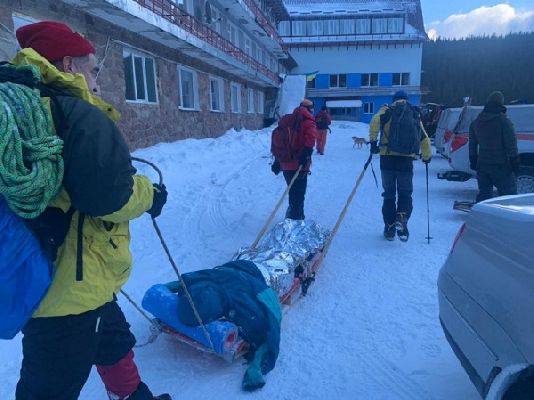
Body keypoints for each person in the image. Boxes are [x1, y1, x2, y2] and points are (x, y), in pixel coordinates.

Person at [12, 21, 170, 400]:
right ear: (68, 65)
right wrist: (150, 195)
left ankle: (134, 395)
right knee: (47, 387)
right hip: (67, 288)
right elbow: (109, 198)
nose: (96, 78)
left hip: (60, 269)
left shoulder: (26, 109)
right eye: (92, 67)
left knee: (112, 337)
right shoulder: (77, 114)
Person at [368, 91, 432, 242]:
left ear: (394, 100)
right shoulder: (413, 113)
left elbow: (375, 122)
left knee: (389, 194)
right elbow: (423, 137)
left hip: (387, 157)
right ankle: (402, 217)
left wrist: (373, 143)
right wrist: (427, 155)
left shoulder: (387, 110)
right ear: (406, 99)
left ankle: (389, 227)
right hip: (406, 160)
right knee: (405, 193)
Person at [469, 91, 519, 202]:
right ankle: (506, 218)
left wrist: (473, 159)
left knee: (484, 195)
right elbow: (511, 143)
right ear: (501, 103)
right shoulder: (504, 121)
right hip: (501, 165)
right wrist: (514, 160)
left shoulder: (476, 122)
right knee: (509, 196)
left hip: (482, 165)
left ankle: (483, 216)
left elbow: (472, 144)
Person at [271, 99, 316, 220]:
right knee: (299, 193)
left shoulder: (287, 120)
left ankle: (291, 215)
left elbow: (278, 142)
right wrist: (305, 157)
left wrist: (277, 161)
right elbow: (311, 140)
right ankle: (296, 220)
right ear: (310, 109)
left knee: (292, 190)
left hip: (285, 163)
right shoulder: (309, 122)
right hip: (300, 164)